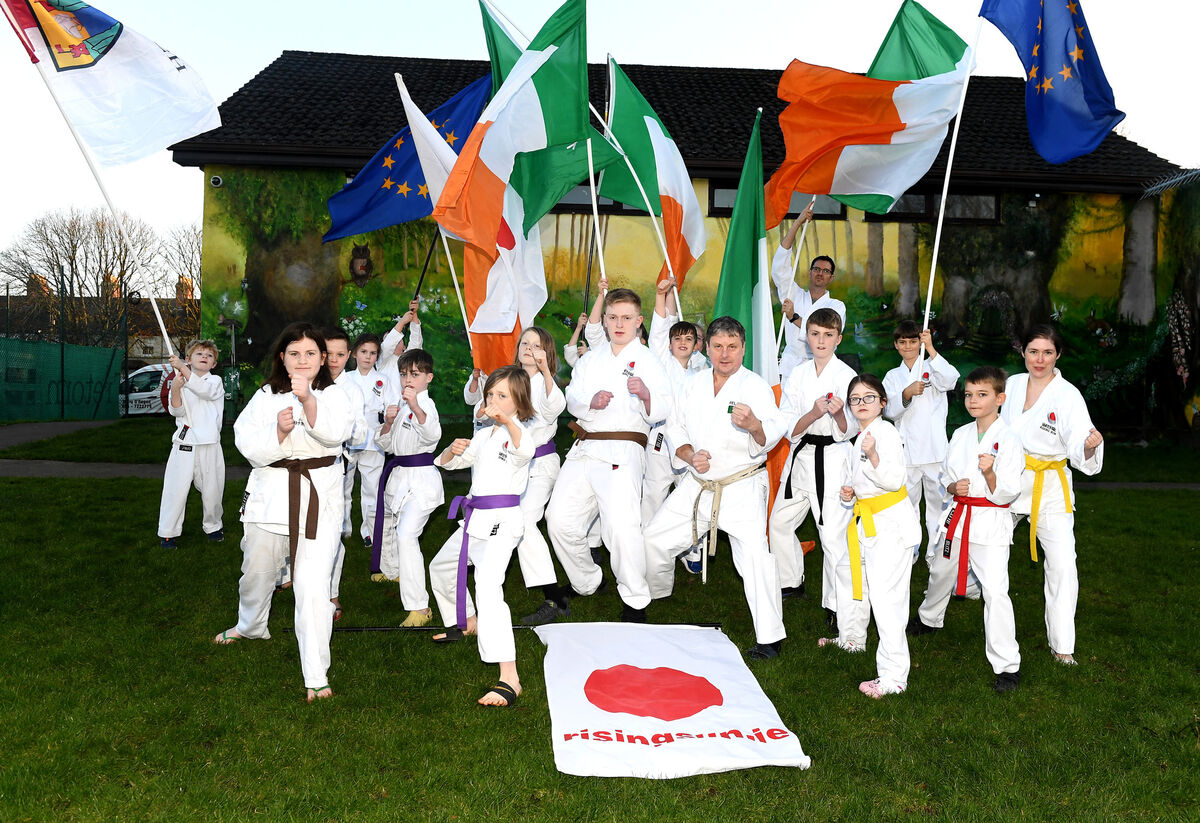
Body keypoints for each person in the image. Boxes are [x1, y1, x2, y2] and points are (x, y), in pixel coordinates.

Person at [214, 323, 352, 703]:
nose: (302, 360)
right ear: (282, 358)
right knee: (256, 572)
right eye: (294, 353)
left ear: (323, 358)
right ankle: (251, 624)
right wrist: (277, 433)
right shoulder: (264, 396)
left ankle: (316, 673)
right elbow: (246, 444)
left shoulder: (335, 395)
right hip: (270, 494)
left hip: (317, 500)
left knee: (311, 587)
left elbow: (336, 432)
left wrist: (308, 402)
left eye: (310, 353)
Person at [643, 316, 788, 658]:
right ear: (705, 348)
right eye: (718, 347)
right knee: (653, 539)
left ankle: (769, 638)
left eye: (732, 347)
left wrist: (753, 426)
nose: (725, 354)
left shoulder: (755, 387)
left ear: (743, 349)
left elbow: (772, 432)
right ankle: (657, 592)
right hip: (697, 484)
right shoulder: (691, 384)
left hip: (742, 485)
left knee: (754, 559)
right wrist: (691, 455)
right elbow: (675, 427)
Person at [546, 286, 672, 622]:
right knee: (558, 520)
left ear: (638, 321)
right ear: (604, 320)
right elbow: (571, 397)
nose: (619, 323)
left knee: (620, 527)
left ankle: (635, 600)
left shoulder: (649, 361)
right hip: (585, 447)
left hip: (622, 450)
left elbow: (663, 406)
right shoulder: (591, 359)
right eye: (613, 317)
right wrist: (589, 402)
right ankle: (589, 580)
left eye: (627, 318)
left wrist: (646, 395)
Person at [909, 366, 1024, 692]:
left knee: (995, 591)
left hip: (989, 523)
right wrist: (951, 487)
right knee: (941, 570)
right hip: (958, 516)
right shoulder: (960, 434)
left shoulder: (1009, 440)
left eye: (982, 394)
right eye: (969, 394)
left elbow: (1008, 491)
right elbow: (945, 475)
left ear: (1000, 398)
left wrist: (988, 475)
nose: (973, 400)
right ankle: (930, 618)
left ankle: (1007, 665)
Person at [428, 366, 538, 707]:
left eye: (501, 396)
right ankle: (468, 620)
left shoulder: (519, 432)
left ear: (519, 401)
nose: (493, 401)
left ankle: (510, 676)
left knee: (489, 584)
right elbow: (448, 464)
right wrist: (452, 449)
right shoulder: (486, 434)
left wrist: (507, 421)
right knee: (441, 567)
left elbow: (526, 451)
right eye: (490, 394)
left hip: (503, 521)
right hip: (475, 519)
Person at [1001, 325, 1104, 666]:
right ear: (1023, 353)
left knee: (1062, 565)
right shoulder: (1013, 385)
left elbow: (1080, 442)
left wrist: (1088, 447)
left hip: (1050, 486)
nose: (1039, 359)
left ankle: (1063, 646)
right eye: (1033, 351)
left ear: (1058, 354)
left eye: (1047, 352)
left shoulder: (1068, 395)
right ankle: (935, 611)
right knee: (972, 543)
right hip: (1010, 478)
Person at [768, 307, 858, 623]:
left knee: (831, 534)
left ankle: (836, 604)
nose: (821, 341)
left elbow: (853, 429)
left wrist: (837, 414)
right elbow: (788, 426)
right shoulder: (798, 374)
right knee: (779, 523)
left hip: (833, 459)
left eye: (828, 335)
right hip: (801, 456)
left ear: (838, 339)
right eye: (815, 334)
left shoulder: (848, 377)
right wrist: (814, 413)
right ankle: (792, 580)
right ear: (806, 337)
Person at [836, 374, 920, 699]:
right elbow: (865, 485)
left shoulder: (886, 433)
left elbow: (895, 479)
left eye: (869, 397)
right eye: (855, 398)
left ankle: (894, 677)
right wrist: (850, 493)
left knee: (888, 602)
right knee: (880, 596)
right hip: (872, 522)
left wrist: (873, 457)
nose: (861, 403)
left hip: (890, 528)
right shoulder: (863, 436)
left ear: (883, 402)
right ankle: (880, 660)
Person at [373, 348, 443, 626]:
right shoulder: (402, 406)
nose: (407, 380)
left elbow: (432, 435)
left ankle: (419, 607)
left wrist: (415, 407)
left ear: (428, 377)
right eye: (403, 374)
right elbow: (386, 445)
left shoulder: (426, 406)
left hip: (422, 481)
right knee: (396, 529)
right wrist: (389, 423)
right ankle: (392, 570)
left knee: (405, 535)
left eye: (415, 374)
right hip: (400, 477)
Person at [882, 322, 961, 563]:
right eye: (903, 342)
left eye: (913, 341)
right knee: (907, 504)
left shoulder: (932, 367)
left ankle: (935, 552)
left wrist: (932, 349)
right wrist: (906, 394)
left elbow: (951, 380)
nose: (908, 346)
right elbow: (888, 413)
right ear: (896, 345)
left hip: (934, 449)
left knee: (938, 505)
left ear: (920, 342)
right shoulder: (892, 377)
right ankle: (911, 549)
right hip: (906, 452)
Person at [643, 277, 704, 543]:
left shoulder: (701, 371)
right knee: (654, 492)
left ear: (695, 345)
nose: (682, 342)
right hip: (660, 438)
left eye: (688, 339)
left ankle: (689, 548)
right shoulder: (661, 361)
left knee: (689, 493)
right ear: (669, 344)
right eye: (677, 338)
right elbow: (659, 328)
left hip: (688, 440)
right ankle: (646, 540)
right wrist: (661, 294)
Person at [158, 339, 225, 548]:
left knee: (212, 490)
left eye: (209, 355)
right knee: (175, 490)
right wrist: (177, 388)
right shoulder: (181, 380)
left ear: (214, 363)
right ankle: (168, 532)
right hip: (184, 443)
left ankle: (213, 526)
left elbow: (205, 391)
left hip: (209, 444)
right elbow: (176, 410)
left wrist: (183, 371)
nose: (204, 357)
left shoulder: (215, 382)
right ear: (189, 359)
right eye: (199, 354)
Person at [769, 204, 847, 381]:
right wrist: (798, 222)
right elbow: (780, 268)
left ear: (831, 278)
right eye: (816, 269)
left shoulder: (836, 306)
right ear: (810, 273)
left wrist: (793, 317)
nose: (820, 273)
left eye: (826, 271)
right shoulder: (794, 294)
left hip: (821, 367)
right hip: (790, 368)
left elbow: (825, 331)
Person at [324, 327, 367, 622]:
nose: (334, 360)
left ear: (349, 356)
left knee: (332, 530)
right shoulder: (307, 383)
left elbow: (360, 433)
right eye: (329, 354)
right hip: (302, 468)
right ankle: (289, 574)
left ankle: (331, 593)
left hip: (336, 466)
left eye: (341, 354)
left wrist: (344, 434)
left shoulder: (352, 390)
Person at [342, 333, 391, 551]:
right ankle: (343, 527)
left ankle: (369, 532)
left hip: (373, 438)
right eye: (363, 352)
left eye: (372, 353)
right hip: (347, 437)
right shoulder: (344, 379)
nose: (368, 357)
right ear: (354, 354)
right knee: (343, 486)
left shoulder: (383, 380)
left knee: (371, 488)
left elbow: (391, 406)